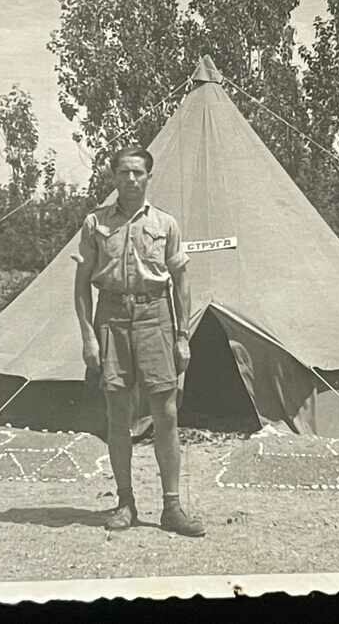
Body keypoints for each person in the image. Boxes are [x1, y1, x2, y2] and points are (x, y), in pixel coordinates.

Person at [72, 146, 205, 537]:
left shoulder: (166, 223)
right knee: (118, 415)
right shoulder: (95, 223)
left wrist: (182, 336)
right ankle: (125, 502)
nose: (131, 180)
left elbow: (181, 282)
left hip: (155, 317)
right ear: (113, 177)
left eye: (138, 173)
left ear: (149, 177)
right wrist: (88, 337)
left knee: (166, 413)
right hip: (110, 318)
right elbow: (81, 286)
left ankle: (171, 506)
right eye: (124, 173)